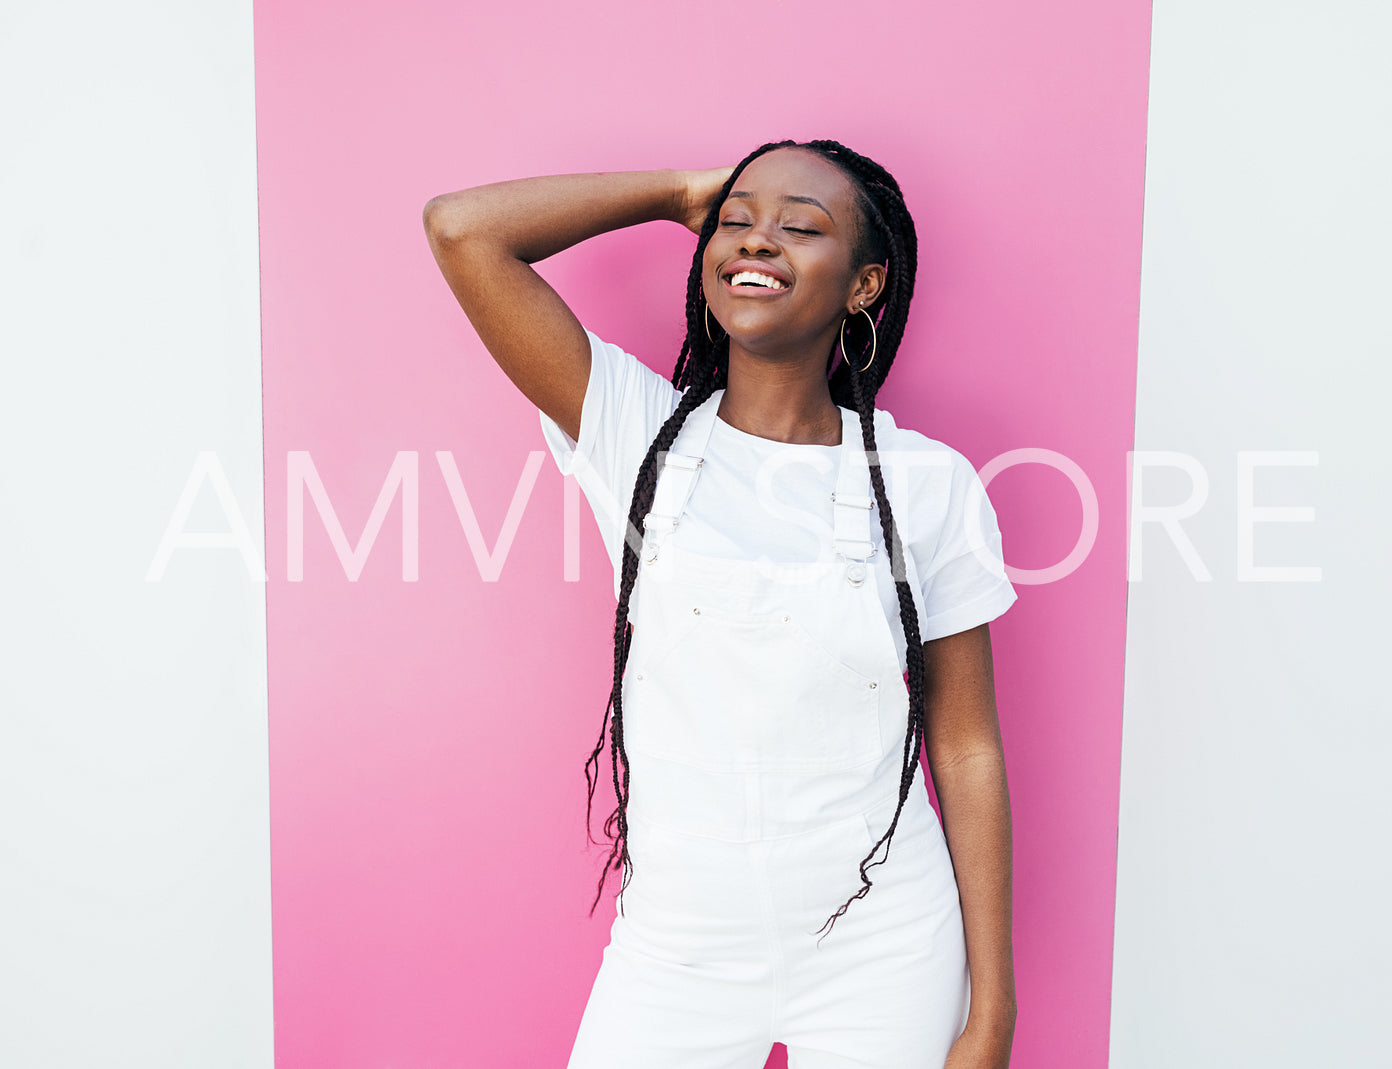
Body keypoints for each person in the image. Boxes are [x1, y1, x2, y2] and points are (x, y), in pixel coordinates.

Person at [423, 139, 1018, 1069]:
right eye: (738, 221)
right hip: (678, 945)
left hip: (883, 944)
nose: (758, 239)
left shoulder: (927, 484)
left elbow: (968, 742)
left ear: (864, 286)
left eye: (799, 226)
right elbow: (461, 229)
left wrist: (993, 1012)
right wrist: (676, 194)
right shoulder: (631, 430)